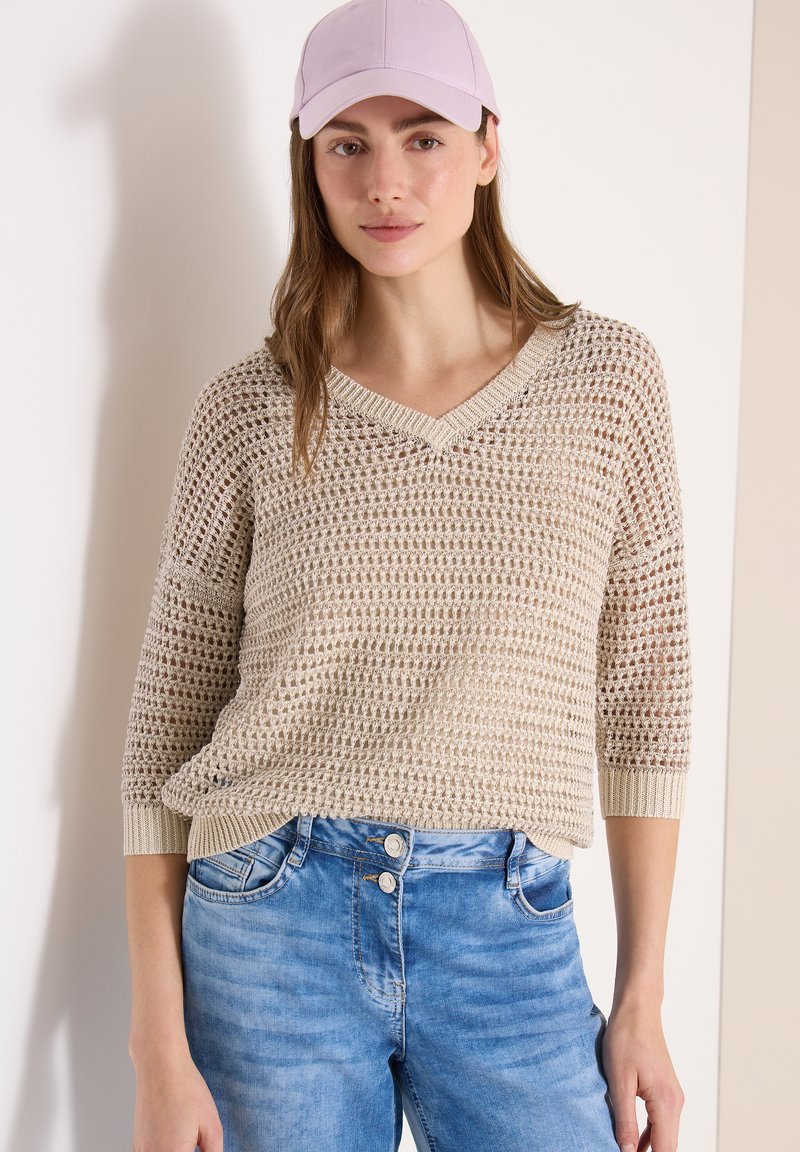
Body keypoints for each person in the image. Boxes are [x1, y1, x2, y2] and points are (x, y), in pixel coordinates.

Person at [123, 1, 692, 1150]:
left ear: (486, 147)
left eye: (422, 136)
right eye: (347, 143)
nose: (384, 182)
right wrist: (156, 1050)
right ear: (308, 163)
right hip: (270, 919)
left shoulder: (607, 382)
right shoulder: (250, 408)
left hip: (507, 926)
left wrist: (640, 999)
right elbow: (162, 735)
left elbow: (646, 701)